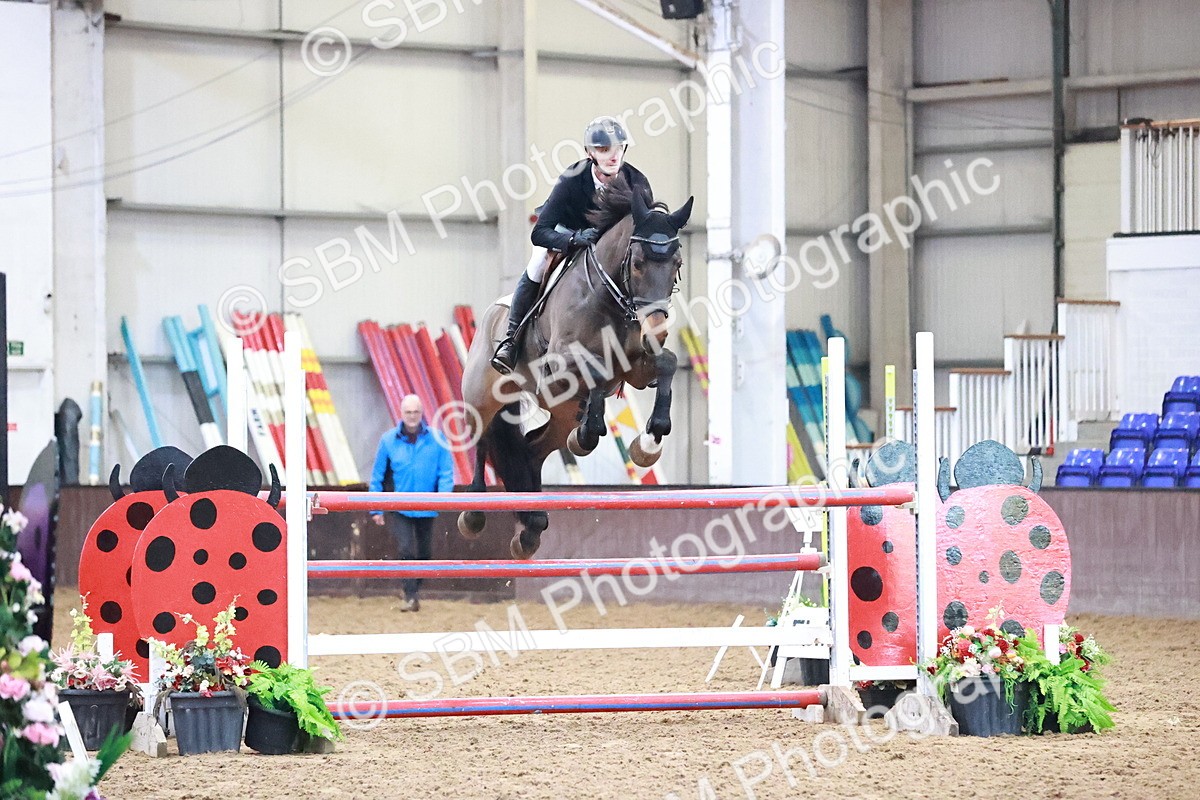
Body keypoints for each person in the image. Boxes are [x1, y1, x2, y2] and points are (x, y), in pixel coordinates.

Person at [491, 115, 654, 374]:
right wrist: (573, 240)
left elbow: (644, 230)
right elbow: (540, 232)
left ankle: (641, 341)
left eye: (618, 148)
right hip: (567, 233)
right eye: (603, 149)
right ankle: (511, 340)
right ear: (590, 152)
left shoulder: (637, 182)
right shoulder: (573, 178)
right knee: (537, 263)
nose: (613, 156)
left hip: (611, 248)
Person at [369, 394, 453, 612]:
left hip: (428, 507)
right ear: (401, 413)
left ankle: (413, 589)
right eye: (408, 412)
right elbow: (377, 476)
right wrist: (375, 508)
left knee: (425, 554)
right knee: (405, 549)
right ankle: (410, 595)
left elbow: (446, 472)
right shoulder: (388, 440)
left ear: (422, 412)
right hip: (400, 507)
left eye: (416, 412)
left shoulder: (438, 439)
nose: (412, 416)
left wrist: (443, 499)